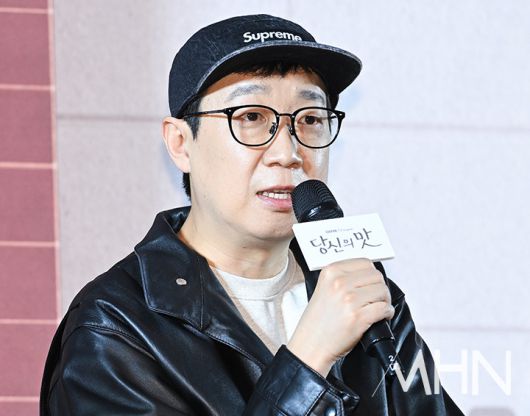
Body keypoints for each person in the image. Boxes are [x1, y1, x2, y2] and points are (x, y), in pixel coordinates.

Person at [40, 14, 463, 415]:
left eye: (310, 119)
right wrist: (309, 358)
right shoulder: (113, 327)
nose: (288, 152)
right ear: (181, 143)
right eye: (252, 117)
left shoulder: (357, 287)